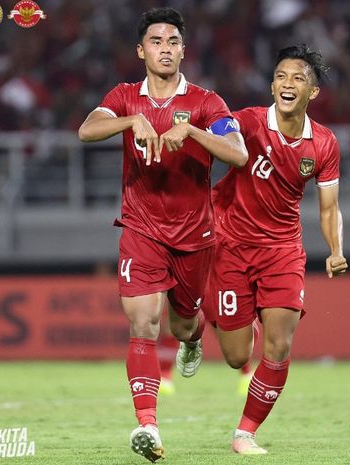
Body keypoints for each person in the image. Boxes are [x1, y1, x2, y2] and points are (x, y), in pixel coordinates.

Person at [77, 7, 248, 463]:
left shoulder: (208, 102)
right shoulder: (124, 96)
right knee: (142, 323)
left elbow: (238, 153)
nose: (165, 49)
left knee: (184, 324)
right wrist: (129, 122)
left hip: (195, 236)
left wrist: (190, 130)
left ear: (183, 50)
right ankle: (148, 426)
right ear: (141, 50)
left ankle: (192, 342)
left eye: (173, 41)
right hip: (140, 229)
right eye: (156, 41)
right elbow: (86, 129)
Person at [205, 44, 348, 455]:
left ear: (313, 92)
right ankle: (201, 316)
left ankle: (244, 433)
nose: (288, 83)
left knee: (280, 344)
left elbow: (330, 207)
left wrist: (336, 248)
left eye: (298, 78)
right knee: (236, 358)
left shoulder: (323, 144)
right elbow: (215, 134)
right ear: (272, 85)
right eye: (282, 76)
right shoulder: (247, 122)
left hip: (282, 250)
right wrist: (195, 132)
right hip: (230, 244)